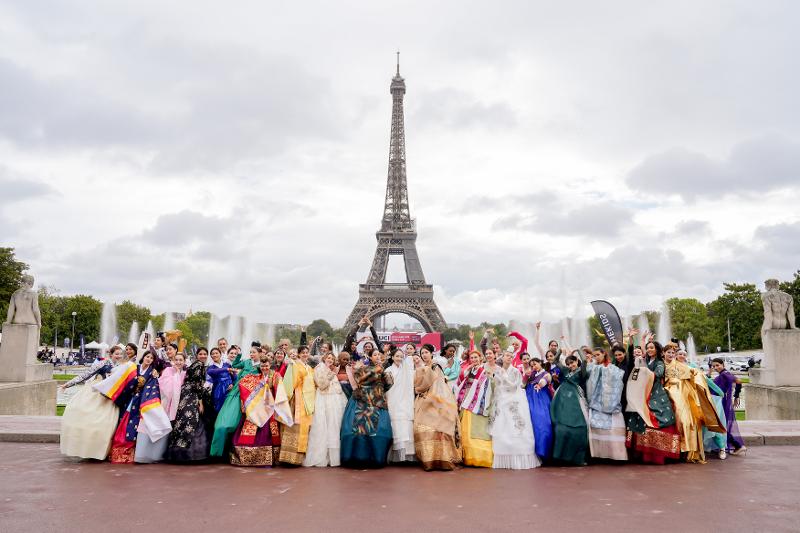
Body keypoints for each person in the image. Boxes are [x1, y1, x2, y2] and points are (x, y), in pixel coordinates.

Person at [60, 345, 127, 460]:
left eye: (120, 354)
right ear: (110, 355)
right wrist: (68, 384)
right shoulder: (102, 364)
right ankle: (90, 450)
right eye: (116, 354)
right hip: (97, 395)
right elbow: (86, 375)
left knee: (108, 425)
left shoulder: (122, 367)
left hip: (111, 398)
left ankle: (103, 452)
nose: (119, 356)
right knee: (93, 422)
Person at [664, 343, 724, 463]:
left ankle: (722, 448)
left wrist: (719, 391)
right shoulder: (668, 364)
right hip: (673, 396)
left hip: (689, 397)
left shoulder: (689, 366)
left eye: (683, 354)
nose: (681, 355)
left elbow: (704, 379)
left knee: (701, 420)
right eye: (679, 353)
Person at [625, 337, 681, 465]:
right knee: (641, 418)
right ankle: (643, 454)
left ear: (657, 350)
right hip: (644, 393)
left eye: (652, 348)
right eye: (648, 348)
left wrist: (644, 372)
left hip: (655, 394)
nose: (649, 349)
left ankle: (657, 455)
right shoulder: (645, 360)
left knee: (655, 418)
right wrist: (635, 340)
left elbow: (658, 374)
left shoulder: (659, 363)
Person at [230, 355, 292, 466]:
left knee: (269, 431)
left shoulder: (275, 376)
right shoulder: (255, 377)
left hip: (270, 407)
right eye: (262, 366)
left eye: (266, 366)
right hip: (257, 408)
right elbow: (243, 384)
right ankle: (248, 457)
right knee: (251, 427)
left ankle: (270, 458)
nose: (264, 368)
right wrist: (243, 403)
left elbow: (280, 392)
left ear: (270, 365)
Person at [109, 351, 170, 463]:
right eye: (147, 356)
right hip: (128, 399)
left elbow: (153, 388)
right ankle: (118, 451)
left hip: (140, 402)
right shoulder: (134, 368)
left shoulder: (152, 373)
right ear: (143, 357)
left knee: (134, 425)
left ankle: (132, 453)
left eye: (151, 358)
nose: (149, 359)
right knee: (123, 422)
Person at [340, 349, 394, 469]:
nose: (378, 357)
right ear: (369, 357)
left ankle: (376, 458)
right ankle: (357, 458)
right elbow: (361, 379)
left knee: (379, 430)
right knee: (357, 430)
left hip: (378, 400)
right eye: (375, 355)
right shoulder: (362, 368)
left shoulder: (382, 368)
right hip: (362, 399)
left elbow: (389, 384)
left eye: (379, 355)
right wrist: (379, 370)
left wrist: (385, 374)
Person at [413, 344, 462, 471]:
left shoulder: (436, 367)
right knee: (422, 429)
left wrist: (431, 397)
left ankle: (443, 459)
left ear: (431, 353)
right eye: (422, 353)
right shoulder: (423, 367)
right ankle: (429, 461)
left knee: (439, 430)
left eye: (426, 352)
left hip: (436, 401)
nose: (424, 355)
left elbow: (439, 384)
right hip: (424, 400)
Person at [490, 348, 538, 469]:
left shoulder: (515, 371)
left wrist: (504, 377)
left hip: (513, 399)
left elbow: (515, 385)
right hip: (501, 400)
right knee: (502, 425)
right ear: (503, 357)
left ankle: (520, 454)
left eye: (511, 356)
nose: (508, 357)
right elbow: (497, 385)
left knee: (516, 424)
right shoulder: (498, 371)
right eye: (506, 355)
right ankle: (503, 454)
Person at [209, 345, 260, 458]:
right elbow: (235, 365)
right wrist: (239, 354)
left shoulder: (262, 365)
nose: (251, 354)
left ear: (260, 354)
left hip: (252, 393)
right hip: (237, 391)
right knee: (223, 423)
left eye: (254, 352)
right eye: (250, 352)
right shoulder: (246, 362)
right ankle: (216, 452)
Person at [165, 347, 212, 462]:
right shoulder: (199, 365)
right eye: (200, 354)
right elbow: (197, 385)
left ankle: (177, 452)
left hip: (185, 393)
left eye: (205, 354)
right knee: (190, 419)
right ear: (196, 355)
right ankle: (191, 453)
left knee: (182, 419)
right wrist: (200, 402)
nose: (203, 356)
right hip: (192, 394)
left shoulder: (193, 366)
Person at [303, 352, 347, 467]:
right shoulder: (319, 368)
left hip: (334, 399)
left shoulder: (332, 369)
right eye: (328, 358)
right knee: (323, 426)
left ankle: (334, 458)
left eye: (332, 358)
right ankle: (322, 456)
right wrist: (330, 375)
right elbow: (321, 384)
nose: (330, 360)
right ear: (324, 358)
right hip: (323, 399)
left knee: (334, 426)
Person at [585, 348, 627, 461]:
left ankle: (616, 455)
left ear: (604, 354)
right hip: (596, 402)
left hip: (610, 402)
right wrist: (589, 362)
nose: (596, 357)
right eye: (594, 355)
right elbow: (587, 374)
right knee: (595, 427)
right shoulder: (594, 366)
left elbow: (619, 376)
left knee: (612, 429)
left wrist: (600, 369)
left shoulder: (612, 367)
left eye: (598, 354)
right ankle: (598, 455)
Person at [549, 352, 589, 466]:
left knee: (580, 427)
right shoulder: (566, 371)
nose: (571, 365)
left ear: (577, 362)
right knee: (560, 427)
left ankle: (577, 458)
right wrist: (559, 351)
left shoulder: (582, 372)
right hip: (561, 398)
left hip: (575, 400)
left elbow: (585, 361)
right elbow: (556, 361)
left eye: (572, 362)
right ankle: (559, 457)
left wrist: (579, 351)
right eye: (568, 364)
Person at [279, 344, 316, 465]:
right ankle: (287, 457)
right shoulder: (294, 365)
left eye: (307, 352)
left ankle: (298, 459)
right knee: (294, 426)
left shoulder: (310, 368)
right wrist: (287, 397)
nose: (305, 354)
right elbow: (289, 382)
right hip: (297, 398)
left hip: (307, 400)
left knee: (303, 428)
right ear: (299, 354)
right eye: (303, 352)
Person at [455, 349, 493, 467]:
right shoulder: (469, 370)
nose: (474, 360)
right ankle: (466, 456)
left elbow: (489, 384)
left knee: (477, 429)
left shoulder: (484, 371)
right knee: (465, 428)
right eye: (472, 358)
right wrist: (468, 368)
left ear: (480, 358)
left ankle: (479, 457)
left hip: (478, 401)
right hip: (466, 398)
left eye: (476, 357)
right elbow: (460, 379)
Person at [384, 349, 416, 463]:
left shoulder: (407, 370)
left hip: (405, 400)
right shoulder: (388, 370)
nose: (399, 358)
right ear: (392, 357)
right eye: (397, 356)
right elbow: (386, 388)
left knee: (406, 424)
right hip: (393, 400)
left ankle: (407, 454)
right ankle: (396, 455)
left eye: (401, 356)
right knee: (396, 424)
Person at [711, 358, 747, 456]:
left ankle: (738, 445)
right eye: (713, 366)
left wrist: (736, 395)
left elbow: (738, 381)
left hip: (720, 402)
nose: (715, 367)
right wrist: (736, 396)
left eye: (717, 365)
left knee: (720, 425)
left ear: (723, 364)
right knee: (721, 424)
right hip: (722, 401)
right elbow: (738, 381)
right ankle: (733, 446)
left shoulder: (724, 374)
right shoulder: (726, 373)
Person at [524, 357, 553, 462]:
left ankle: (543, 450)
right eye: (531, 365)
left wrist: (540, 384)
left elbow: (546, 379)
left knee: (541, 422)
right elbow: (523, 384)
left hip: (540, 399)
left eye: (535, 364)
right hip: (529, 398)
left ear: (540, 363)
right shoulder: (531, 375)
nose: (533, 367)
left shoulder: (546, 373)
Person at [158, 352, 186, 422]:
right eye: (176, 360)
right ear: (173, 361)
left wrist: (178, 373)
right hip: (165, 401)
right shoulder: (168, 370)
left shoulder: (185, 374)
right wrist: (176, 374)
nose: (178, 362)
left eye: (180, 360)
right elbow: (163, 385)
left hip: (178, 403)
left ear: (184, 361)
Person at [206, 347, 234, 415]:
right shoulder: (210, 368)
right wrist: (226, 369)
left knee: (229, 410)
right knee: (218, 410)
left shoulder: (227, 365)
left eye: (216, 353)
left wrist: (232, 384)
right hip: (218, 392)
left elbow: (234, 377)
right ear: (211, 356)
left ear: (220, 354)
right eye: (212, 354)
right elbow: (214, 372)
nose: (215, 355)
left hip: (229, 391)